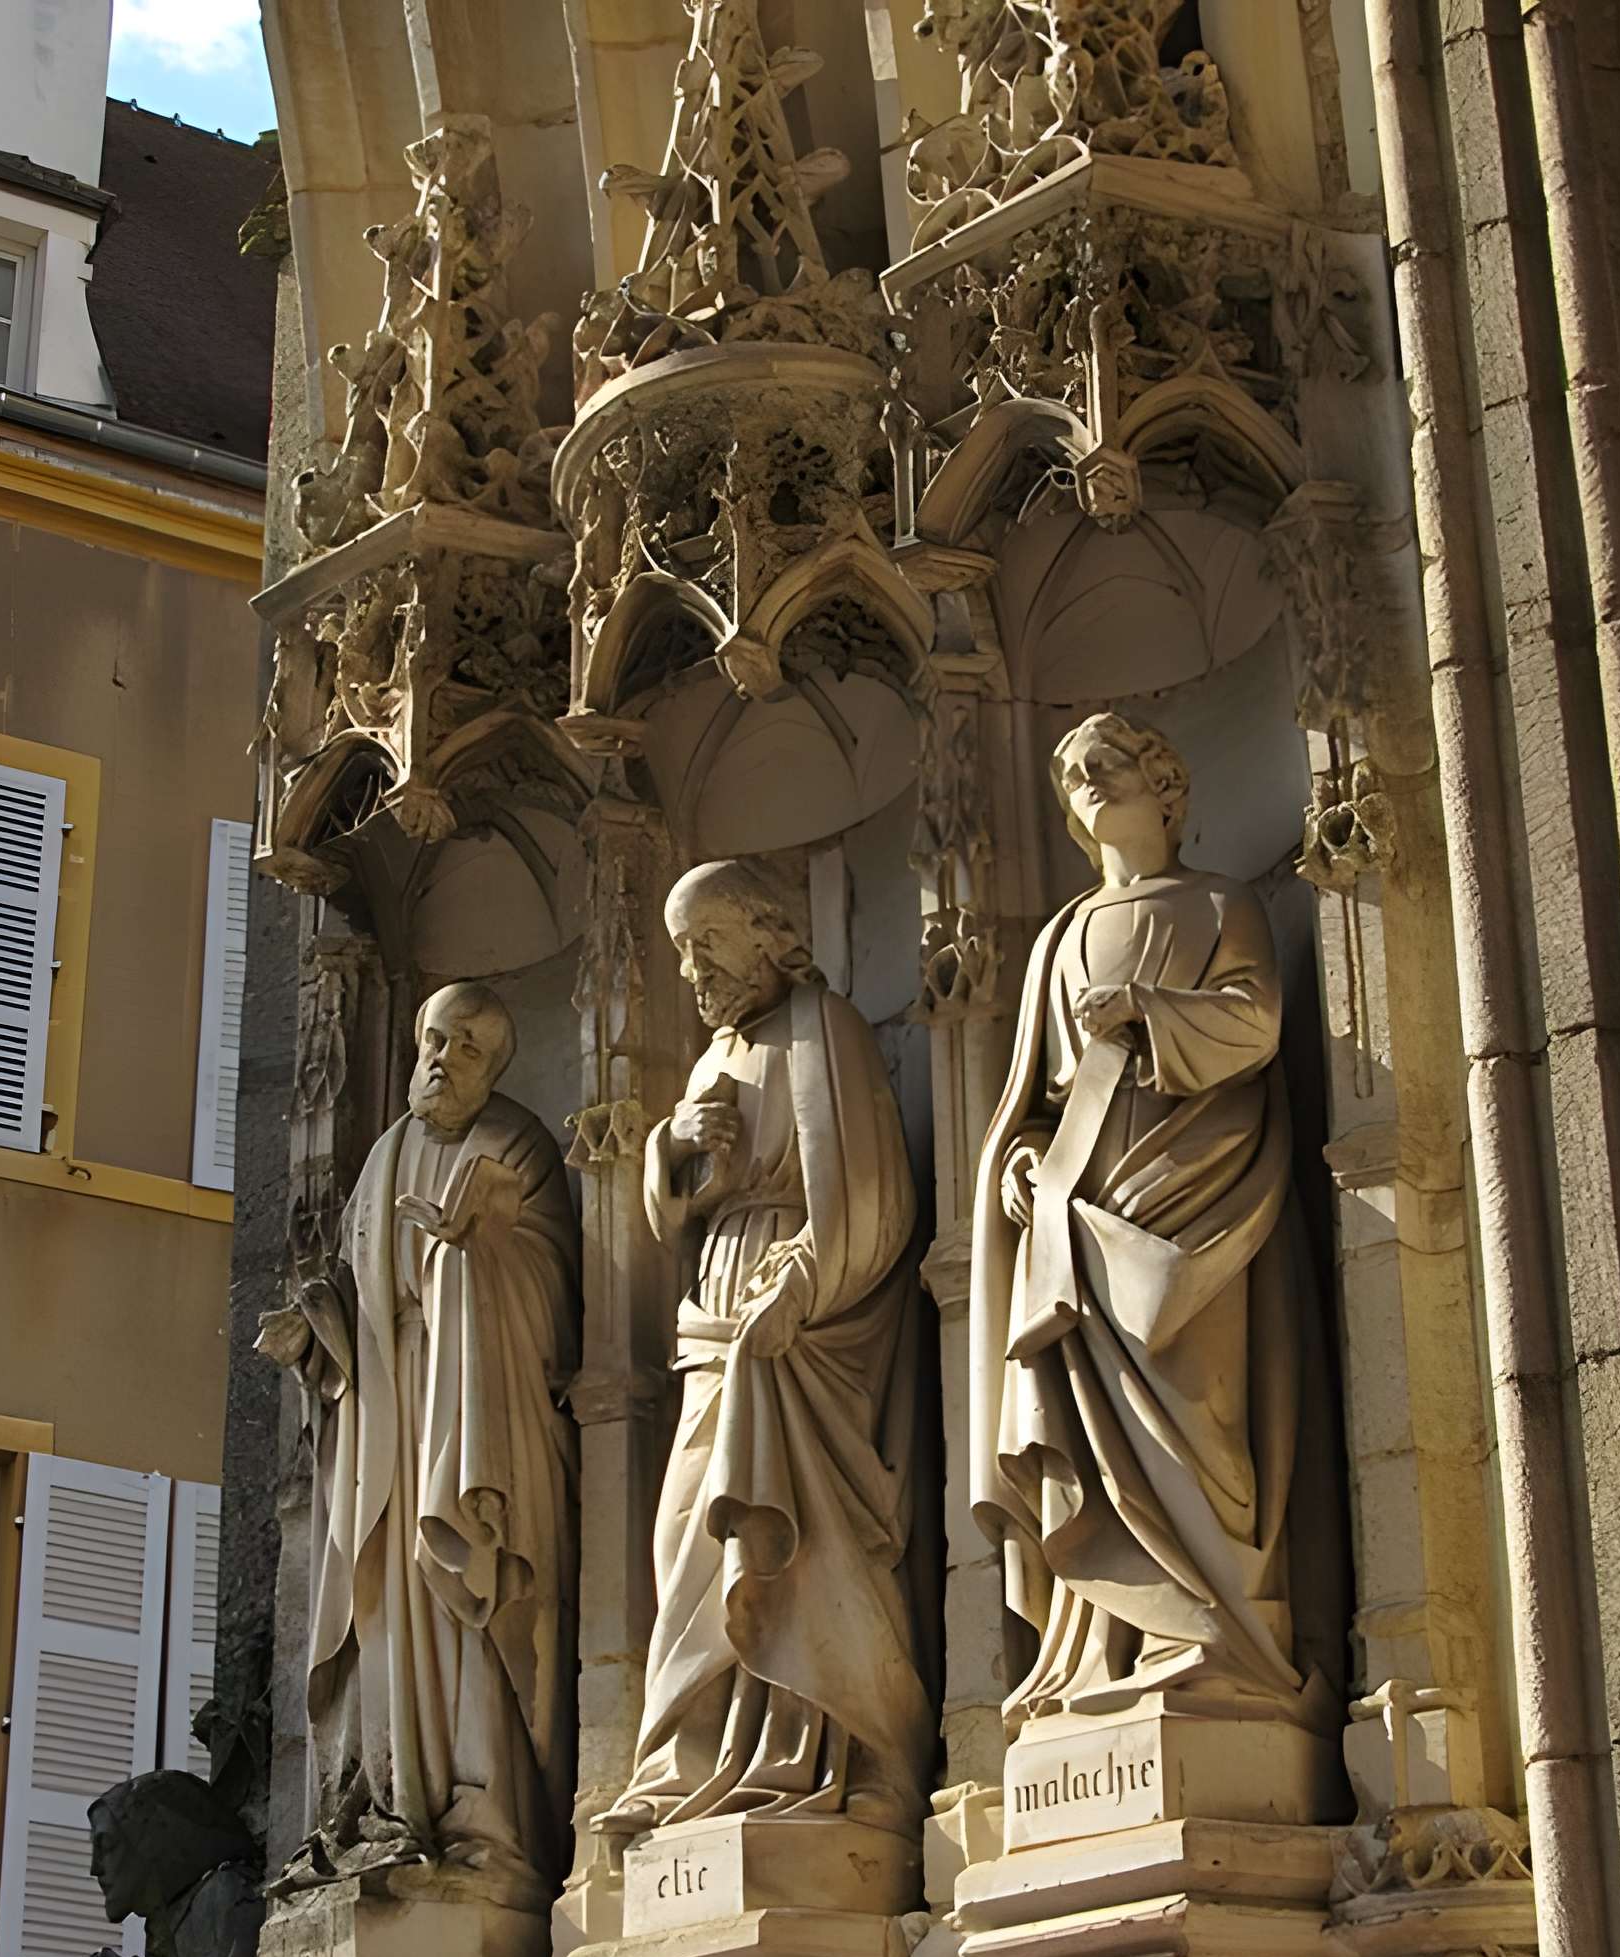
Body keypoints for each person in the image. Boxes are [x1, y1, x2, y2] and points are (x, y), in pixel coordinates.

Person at [971, 714, 1329, 1722]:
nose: (1086, 787)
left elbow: (1255, 1025)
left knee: (1197, 1415)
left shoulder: (1219, 903)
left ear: (1165, 784)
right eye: (1072, 777)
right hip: (1075, 1216)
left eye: (1106, 768)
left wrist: (1148, 1009)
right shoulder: (1058, 936)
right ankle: (1103, 1648)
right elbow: (1033, 1099)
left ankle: (1216, 1635)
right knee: (1090, 1440)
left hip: (1187, 1194)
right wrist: (1024, 1164)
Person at [598, 862, 933, 1833]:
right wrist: (674, 1152)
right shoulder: (712, 1060)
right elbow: (677, 1218)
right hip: (715, 1317)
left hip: (804, 1322)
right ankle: (684, 1767)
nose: (692, 968)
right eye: (679, 951)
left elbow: (875, 1193)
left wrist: (802, 1282)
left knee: (797, 1540)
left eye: (707, 941)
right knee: (688, 1538)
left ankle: (809, 1759)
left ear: (765, 932)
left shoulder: (824, 1029)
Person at [257, 981, 578, 1892]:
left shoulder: (515, 1143)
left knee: (461, 1604)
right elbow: (360, 1303)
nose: (443, 1060)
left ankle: (483, 1822)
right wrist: (315, 1333)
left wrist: (479, 1250)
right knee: (386, 1618)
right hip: (390, 1424)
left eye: (467, 1049)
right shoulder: (384, 1158)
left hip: (473, 1420)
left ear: (496, 1067)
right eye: (435, 1041)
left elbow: (560, 1294)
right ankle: (394, 1800)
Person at [83, 1770, 262, 1957]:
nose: (95, 1868)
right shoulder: (165, 1929)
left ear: (151, 1841)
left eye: (108, 1846)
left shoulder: (222, 1893)